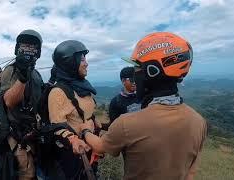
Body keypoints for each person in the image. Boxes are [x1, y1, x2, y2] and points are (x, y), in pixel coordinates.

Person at [79, 32, 207, 180]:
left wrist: (85, 130)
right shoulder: (199, 121)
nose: (135, 75)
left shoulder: (127, 123)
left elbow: (100, 146)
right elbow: (191, 172)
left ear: (152, 71)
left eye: (137, 69)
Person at [48, 40, 101, 179]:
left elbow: (85, 113)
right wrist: (73, 140)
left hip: (90, 147)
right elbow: (57, 127)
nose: (86, 63)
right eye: (82, 59)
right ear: (70, 63)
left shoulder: (82, 86)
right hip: (73, 155)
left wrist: (94, 122)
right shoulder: (58, 92)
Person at [0, 29, 43, 179]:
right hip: (18, 134)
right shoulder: (10, 71)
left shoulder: (36, 74)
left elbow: (40, 100)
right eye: (25, 45)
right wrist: (22, 78)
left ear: (38, 52)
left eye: (33, 46)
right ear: (17, 48)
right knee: (26, 172)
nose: (28, 49)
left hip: (35, 133)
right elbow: (9, 102)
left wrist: (51, 83)